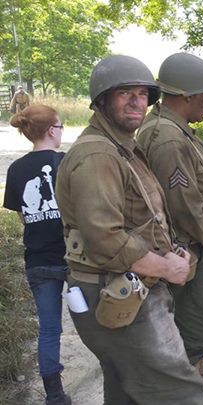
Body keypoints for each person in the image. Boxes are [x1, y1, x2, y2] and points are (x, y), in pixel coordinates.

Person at [55, 55, 203, 403]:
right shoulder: (98, 156)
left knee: (126, 388)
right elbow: (106, 239)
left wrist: (171, 250)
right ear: (102, 100)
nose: (137, 102)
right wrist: (167, 267)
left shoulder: (122, 148)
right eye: (125, 93)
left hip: (127, 285)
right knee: (181, 391)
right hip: (118, 290)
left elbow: (142, 218)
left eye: (142, 94)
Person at [137, 52, 203, 390]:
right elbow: (183, 206)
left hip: (192, 244)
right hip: (190, 246)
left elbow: (187, 181)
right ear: (185, 96)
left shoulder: (173, 129)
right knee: (193, 320)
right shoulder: (167, 138)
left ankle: (199, 372)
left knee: (197, 313)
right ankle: (187, 388)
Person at [3, 105, 71, 405]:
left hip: (39, 261)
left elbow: (22, 216)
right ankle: (118, 374)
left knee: (49, 329)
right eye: (61, 126)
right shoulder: (66, 162)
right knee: (99, 320)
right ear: (51, 130)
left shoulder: (17, 169)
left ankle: (54, 396)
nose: (61, 131)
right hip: (75, 259)